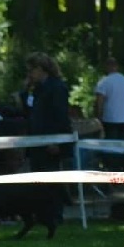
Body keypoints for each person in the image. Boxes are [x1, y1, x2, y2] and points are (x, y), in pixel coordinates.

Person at [24, 52, 72, 223]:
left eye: (32, 70)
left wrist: (57, 141)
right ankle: (43, 214)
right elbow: (28, 111)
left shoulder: (57, 87)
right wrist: (26, 89)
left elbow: (60, 116)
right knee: (38, 179)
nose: (29, 74)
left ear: (41, 69)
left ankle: (55, 214)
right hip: (37, 142)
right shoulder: (37, 90)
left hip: (51, 142)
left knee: (51, 179)